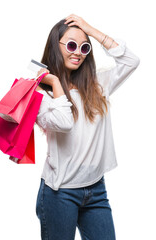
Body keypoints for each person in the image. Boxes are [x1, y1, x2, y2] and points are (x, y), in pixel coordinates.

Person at [34, 14, 140, 240]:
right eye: (71, 45)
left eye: (84, 48)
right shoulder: (41, 94)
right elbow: (64, 122)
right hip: (59, 193)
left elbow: (131, 61)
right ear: (56, 46)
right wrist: (53, 82)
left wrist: (91, 30)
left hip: (96, 189)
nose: (78, 53)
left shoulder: (98, 83)